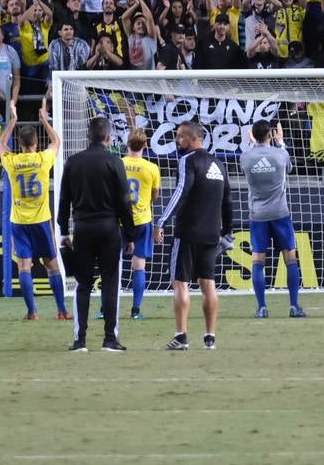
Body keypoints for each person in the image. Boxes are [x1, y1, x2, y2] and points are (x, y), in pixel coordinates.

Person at [57, 115, 134, 352]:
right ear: (108, 137)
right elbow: (124, 201)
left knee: (83, 284)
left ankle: (80, 340)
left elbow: (64, 200)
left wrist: (63, 230)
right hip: (110, 228)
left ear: (88, 136)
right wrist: (129, 234)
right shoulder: (115, 162)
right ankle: (110, 338)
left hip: (83, 228)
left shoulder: (73, 162)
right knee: (111, 283)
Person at [155, 121, 233, 351]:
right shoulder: (218, 164)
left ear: (192, 138)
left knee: (180, 282)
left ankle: (181, 336)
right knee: (208, 283)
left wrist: (161, 221)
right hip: (211, 233)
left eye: (180, 136)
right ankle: (210, 337)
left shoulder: (187, 160)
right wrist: (227, 231)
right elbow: (227, 201)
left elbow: (181, 190)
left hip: (188, 232)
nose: (177, 140)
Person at [0, 99, 69, 322]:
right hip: (41, 221)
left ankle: (32, 312)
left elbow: (1, 144)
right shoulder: (43, 159)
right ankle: (61, 310)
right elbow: (57, 141)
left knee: (24, 266)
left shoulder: (12, 161)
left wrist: (13, 120)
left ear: (19, 143)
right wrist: (44, 120)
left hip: (19, 222)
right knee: (52, 264)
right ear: (37, 143)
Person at [242, 119, 306, 318]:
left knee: (258, 259)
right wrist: (281, 142)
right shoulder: (281, 154)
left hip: (258, 215)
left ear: (252, 134)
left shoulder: (246, 157)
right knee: (290, 258)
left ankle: (262, 308)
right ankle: (294, 306)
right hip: (280, 213)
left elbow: (246, 164)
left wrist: (252, 144)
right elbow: (289, 168)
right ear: (271, 134)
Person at [122, 123, 161, 320]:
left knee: (111, 266)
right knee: (139, 265)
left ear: (127, 143)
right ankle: (135, 310)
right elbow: (155, 196)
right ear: (145, 146)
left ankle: (105, 309)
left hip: (120, 221)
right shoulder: (152, 168)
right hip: (143, 220)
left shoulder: (118, 163)